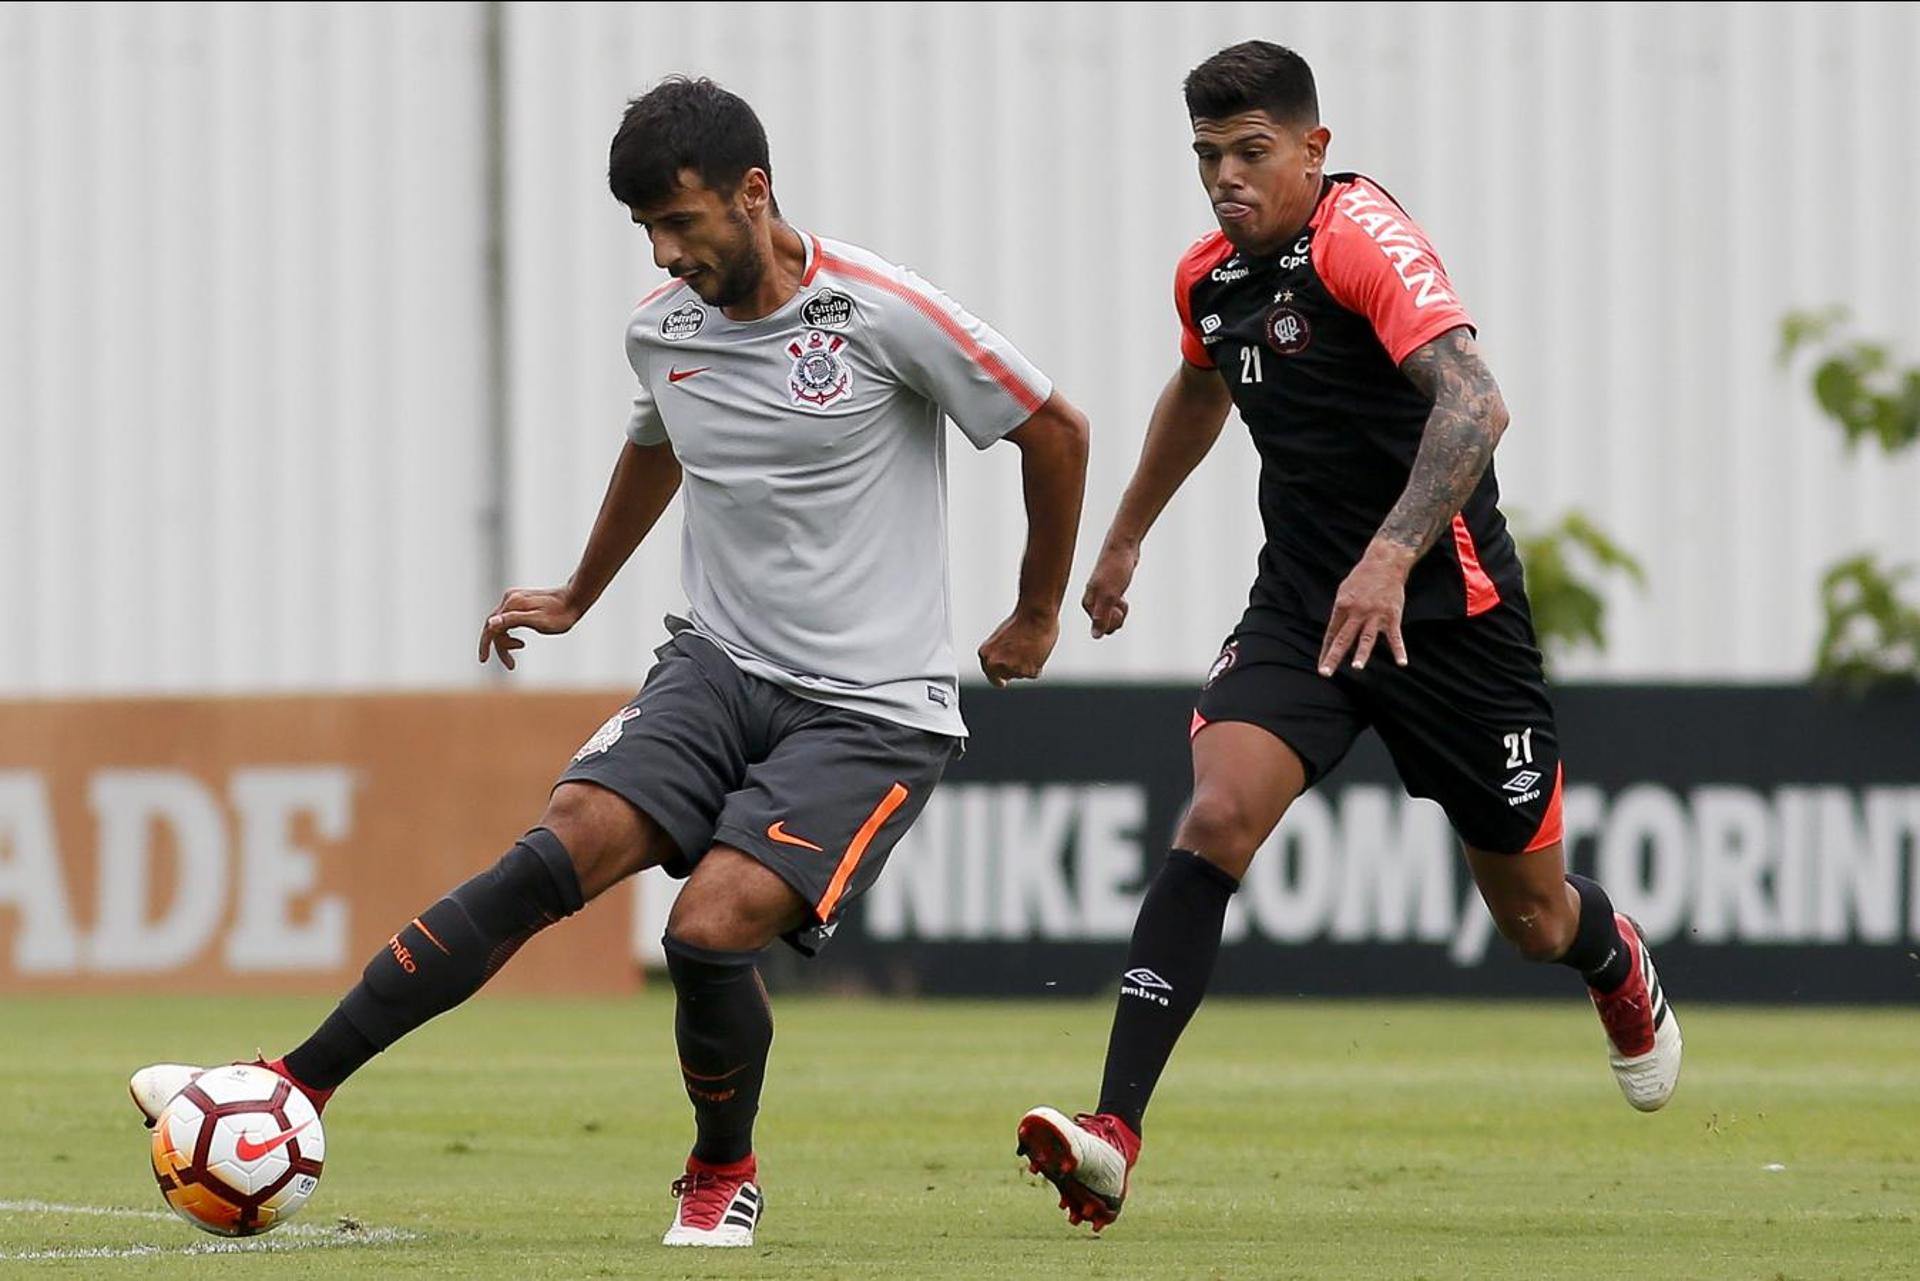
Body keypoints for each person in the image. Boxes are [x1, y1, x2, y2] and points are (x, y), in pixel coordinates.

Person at [130, 75, 1088, 1249]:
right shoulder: (661, 330)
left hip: (872, 710)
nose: (666, 251)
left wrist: (1037, 611)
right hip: (718, 665)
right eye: (647, 229)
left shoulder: (884, 313)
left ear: (754, 192)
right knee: (557, 851)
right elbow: (658, 448)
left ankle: (721, 1169)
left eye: (682, 222)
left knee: (708, 928)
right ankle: (291, 1084)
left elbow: (1056, 428)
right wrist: (579, 593)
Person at [1015, 40, 1679, 1232]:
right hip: (1308, 609)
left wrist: (1391, 556)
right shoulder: (1209, 279)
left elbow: (1477, 402)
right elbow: (1203, 387)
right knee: (1214, 816)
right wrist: (1122, 541)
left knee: (1530, 920)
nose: (1226, 177)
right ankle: (1112, 1131)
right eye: (1207, 156)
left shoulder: (1361, 239)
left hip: (1453, 621)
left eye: (1252, 153)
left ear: (1314, 150)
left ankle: (1610, 957)